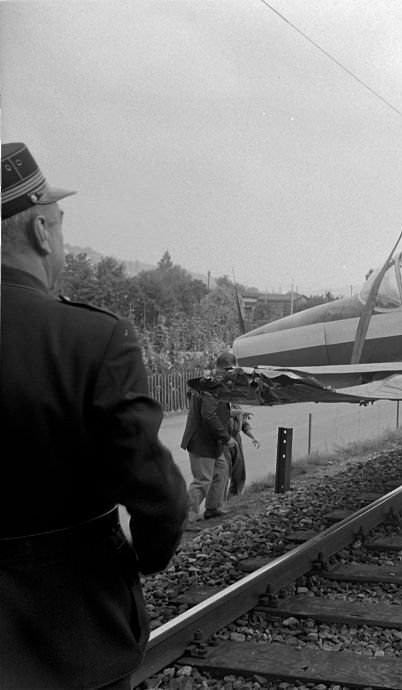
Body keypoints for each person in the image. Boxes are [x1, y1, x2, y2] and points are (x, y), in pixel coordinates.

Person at [0, 142, 188, 689]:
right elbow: (161, 498)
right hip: (76, 631)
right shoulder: (93, 339)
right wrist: (146, 560)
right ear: (40, 232)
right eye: (58, 226)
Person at [181, 350, 237, 520]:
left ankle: (213, 508)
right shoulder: (211, 386)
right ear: (225, 369)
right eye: (231, 370)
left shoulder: (216, 384)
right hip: (201, 442)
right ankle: (186, 516)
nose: (233, 375)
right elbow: (209, 415)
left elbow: (217, 411)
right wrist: (227, 438)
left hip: (212, 443)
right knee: (202, 480)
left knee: (221, 472)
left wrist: (235, 412)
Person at [226, 405, 260, 498]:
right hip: (224, 439)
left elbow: (244, 424)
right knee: (223, 473)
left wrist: (253, 437)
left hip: (236, 439)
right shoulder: (221, 402)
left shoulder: (236, 404)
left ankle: (234, 497)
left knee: (239, 472)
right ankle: (218, 502)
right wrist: (240, 412)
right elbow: (225, 413)